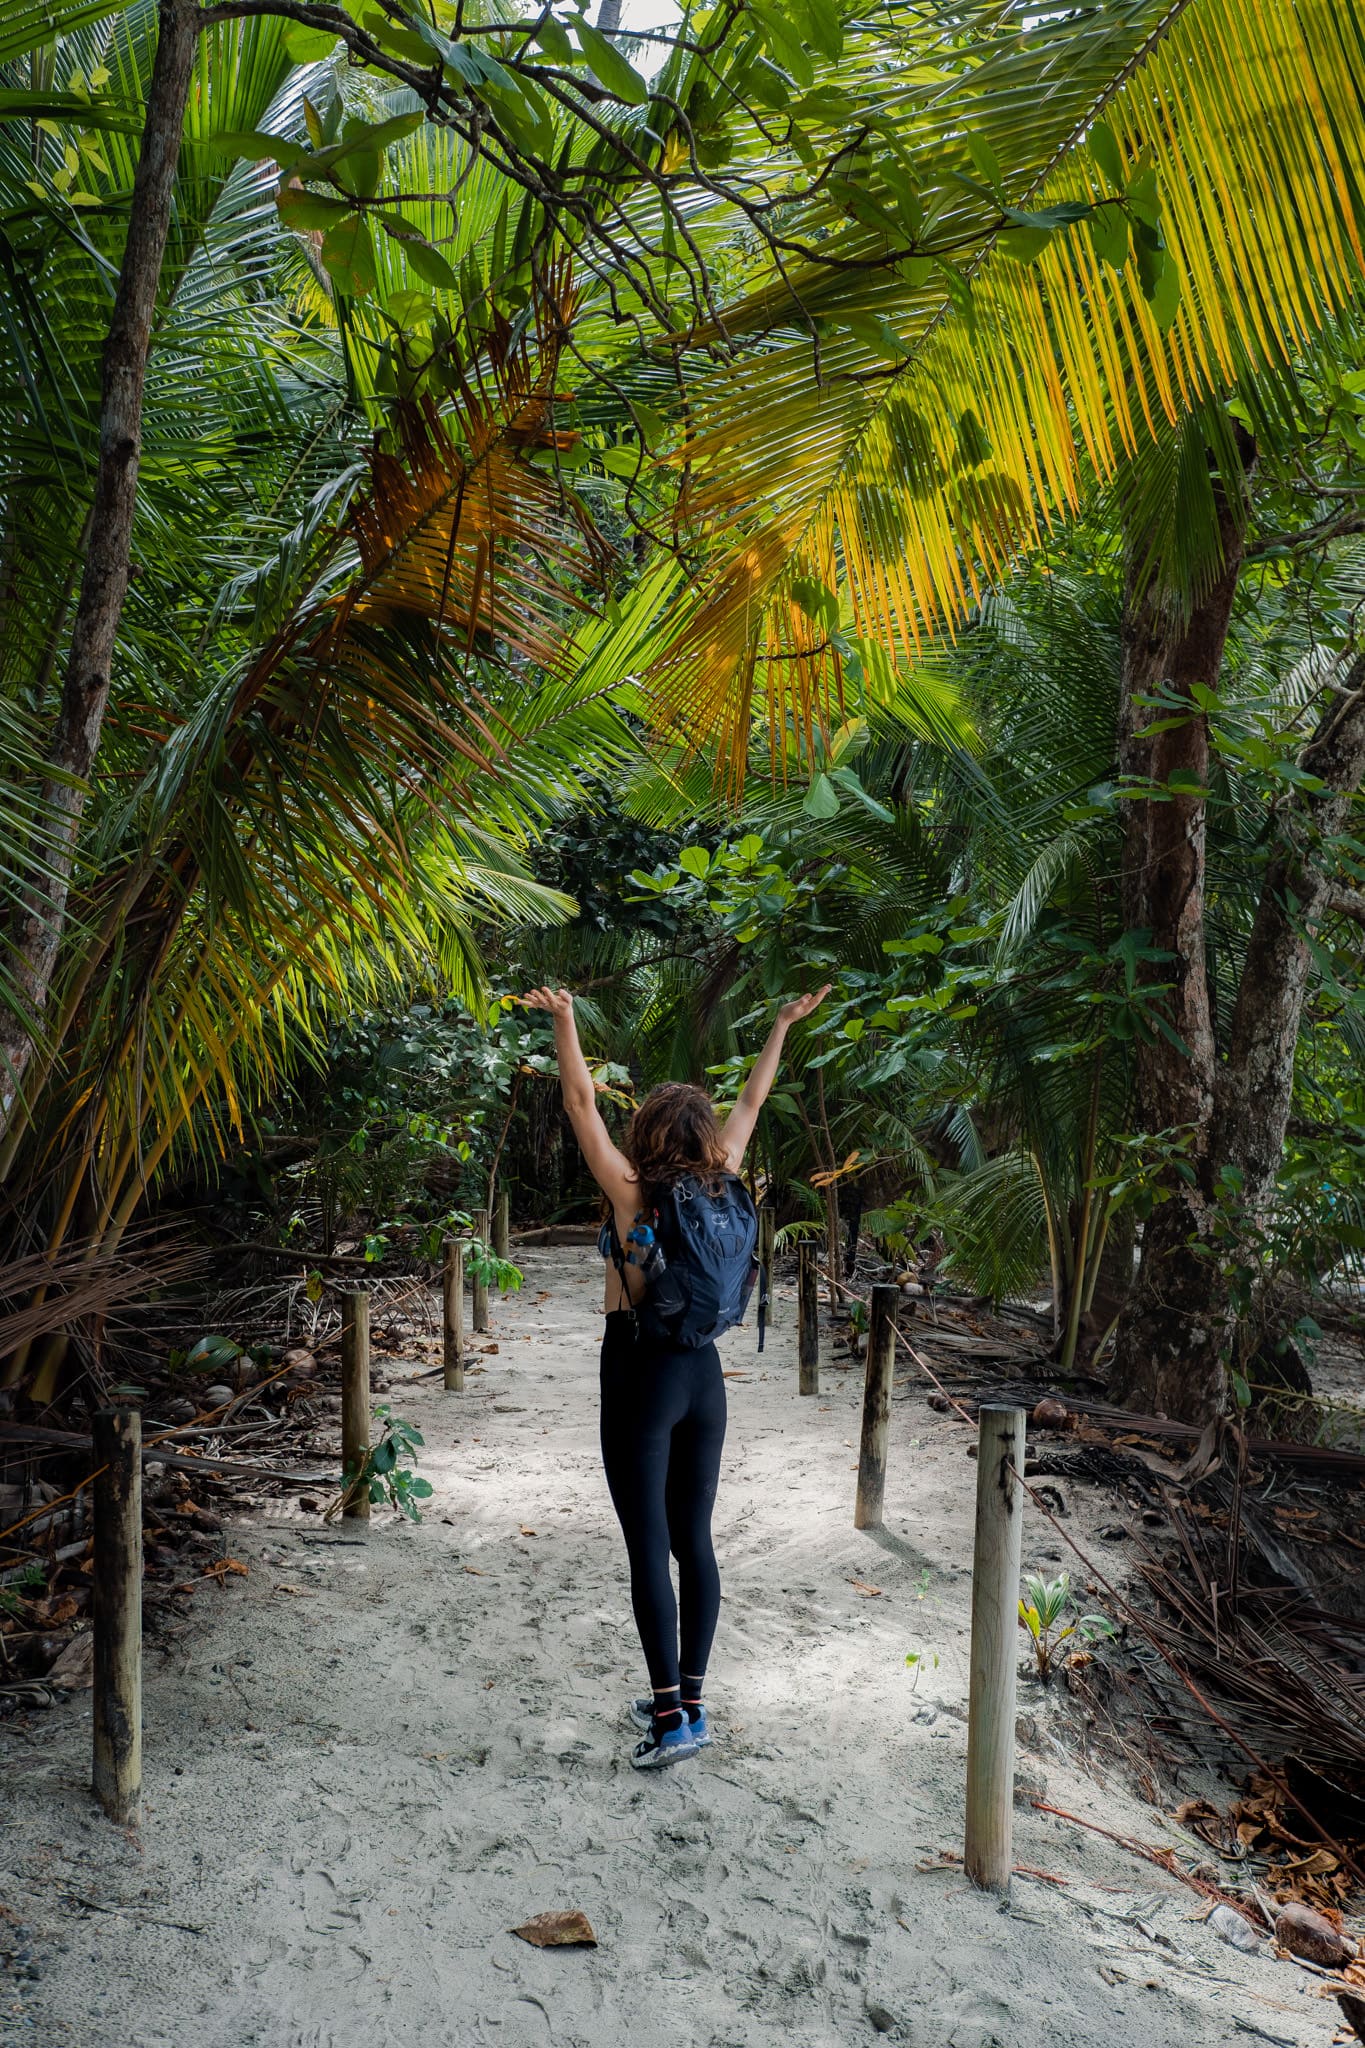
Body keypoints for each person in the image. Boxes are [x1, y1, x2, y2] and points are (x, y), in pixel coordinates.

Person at [520, 983, 830, 1768]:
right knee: (694, 1542)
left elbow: (578, 1102)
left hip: (639, 1372)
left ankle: (669, 1721)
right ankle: (690, 1696)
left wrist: (564, 1018)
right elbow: (756, 1098)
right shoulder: (723, 1178)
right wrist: (780, 1024)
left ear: (648, 1132)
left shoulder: (634, 1194)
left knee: (646, 1547)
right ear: (702, 1135)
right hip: (705, 1378)